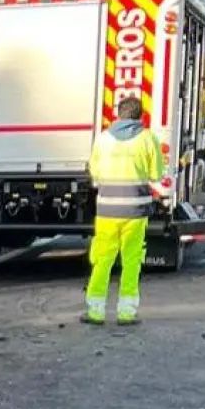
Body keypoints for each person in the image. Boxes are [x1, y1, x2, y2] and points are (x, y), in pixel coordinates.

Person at [84, 96, 166, 326]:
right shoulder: (148, 138)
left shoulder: (102, 139)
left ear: (118, 115)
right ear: (140, 116)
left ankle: (95, 312)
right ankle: (127, 313)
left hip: (107, 211)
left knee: (103, 259)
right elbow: (156, 174)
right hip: (135, 211)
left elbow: (95, 172)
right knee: (131, 261)